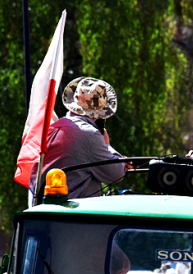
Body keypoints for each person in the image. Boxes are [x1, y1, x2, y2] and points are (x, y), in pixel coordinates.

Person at [27, 77, 127, 205]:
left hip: (44, 213)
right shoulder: (88, 134)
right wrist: (107, 146)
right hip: (72, 216)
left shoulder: (55, 126)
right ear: (100, 115)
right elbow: (116, 173)